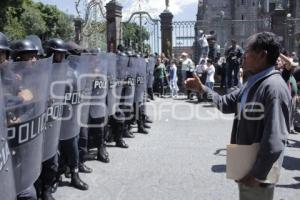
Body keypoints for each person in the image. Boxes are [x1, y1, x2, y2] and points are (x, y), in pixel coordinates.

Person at [185, 32, 290, 200]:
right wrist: (202, 89)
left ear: (262, 56)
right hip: (248, 166)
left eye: (247, 51)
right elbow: (226, 103)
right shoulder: (253, 82)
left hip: (258, 175)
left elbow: (275, 140)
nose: (243, 56)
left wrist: (258, 174)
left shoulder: (273, 87)